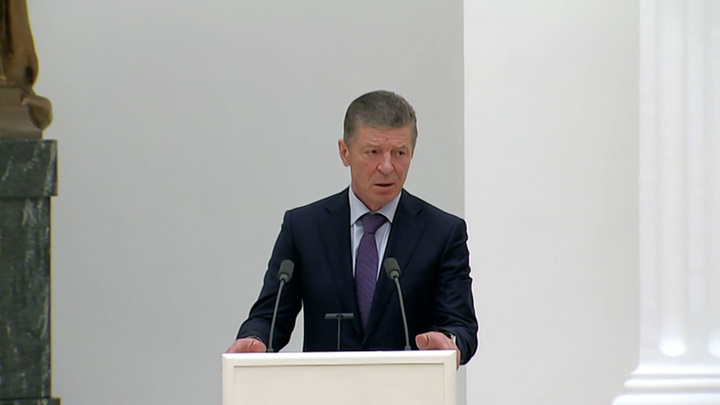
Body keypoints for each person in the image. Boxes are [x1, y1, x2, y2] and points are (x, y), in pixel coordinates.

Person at [227, 90, 478, 366]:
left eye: (399, 153)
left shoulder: (442, 233)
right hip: (326, 385)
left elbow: (460, 325)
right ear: (344, 152)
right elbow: (270, 316)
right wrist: (255, 338)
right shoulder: (304, 228)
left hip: (407, 385)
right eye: (373, 152)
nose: (387, 167)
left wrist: (449, 343)